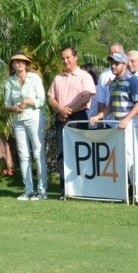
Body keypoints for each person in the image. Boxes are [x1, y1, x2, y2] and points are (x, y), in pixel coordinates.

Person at [48, 46, 97, 188]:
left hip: (78, 117)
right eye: (63, 58)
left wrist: (67, 111)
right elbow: (50, 97)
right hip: (61, 118)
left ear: (76, 57)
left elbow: (86, 98)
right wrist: (60, 110)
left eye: (68, 57)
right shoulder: (58, 78)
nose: (65, 61)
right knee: (62, 152)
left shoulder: (84, 76)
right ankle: (65, 189)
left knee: (81, 152)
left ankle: (83, 187)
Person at [3, 51, 48, 201]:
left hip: (35, 119)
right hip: (18, 120)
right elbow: (7, 105)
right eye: (16, 61)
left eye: (22, 61)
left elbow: (41, 100)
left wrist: (26, 101)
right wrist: (14, 108)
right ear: (12, 64)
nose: (20, 63)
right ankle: (28, 190)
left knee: (38, 154)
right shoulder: (9, 81)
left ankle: (42, 191)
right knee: (23, 155)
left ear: (26, 64)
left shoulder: (34, 78)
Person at [88, 52, 138, 129]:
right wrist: (97, 117)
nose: (113, 66)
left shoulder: (132, 80)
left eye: (117, 63)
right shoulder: (113, 83)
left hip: (131, 124)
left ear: (125, 65)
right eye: (112, 63)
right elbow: (111, 106)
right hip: (118, 123)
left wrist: (126, 119)